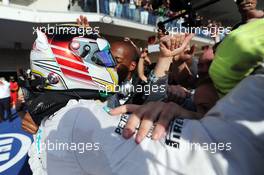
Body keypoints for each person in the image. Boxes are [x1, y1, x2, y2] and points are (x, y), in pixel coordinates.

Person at [25, 29, 264, 174]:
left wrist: (185, 113)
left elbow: (151, 97)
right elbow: (210, 159)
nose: (109, 64)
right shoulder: (78, 118)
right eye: (103, 58)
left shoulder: (73, 114)